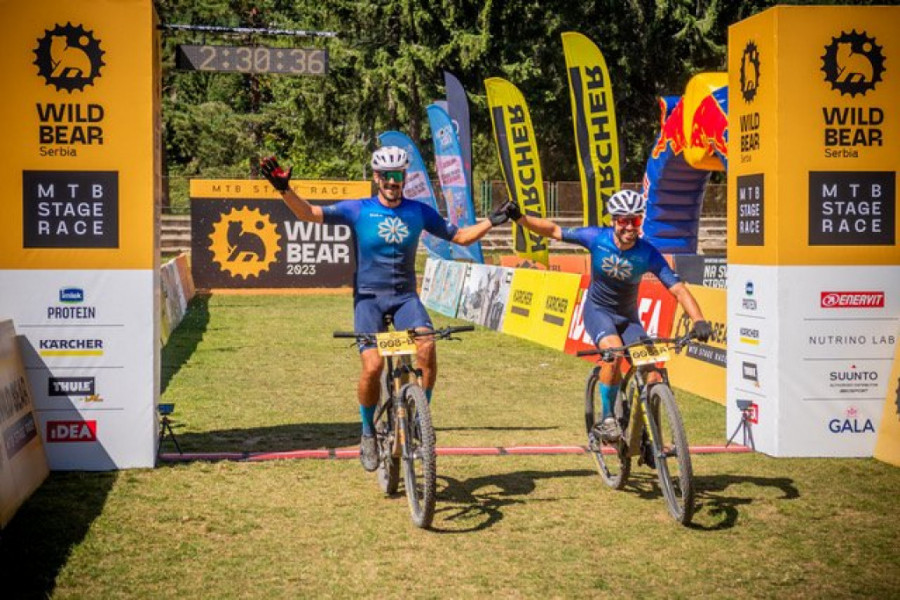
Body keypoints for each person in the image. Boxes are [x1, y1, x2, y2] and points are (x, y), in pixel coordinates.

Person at [260, 147, 511, 470]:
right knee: (373, 366)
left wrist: (492, 220)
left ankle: (420, 418)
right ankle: (367, 431)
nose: (393, 182)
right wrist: (283, 189)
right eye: (387, 176)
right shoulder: (358, 209)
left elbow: (461, 236)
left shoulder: (418, 211)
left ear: (404, 177)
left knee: (427, 345)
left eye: (398, 175)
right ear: (377, 177)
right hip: (369, 299)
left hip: (405, 298)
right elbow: (309, 213)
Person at [498, 189, 712, 443]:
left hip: (628, 318)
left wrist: (699, 320)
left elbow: (678, 289)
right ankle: (607, 417)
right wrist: (520, 218)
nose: (630, 227)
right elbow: (554, 231)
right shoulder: (596, 238)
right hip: (598, 311)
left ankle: (650, 438)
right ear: (614, 221)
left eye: (635, 220)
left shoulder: (647, 253)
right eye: (624, 221)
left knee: (653, 374)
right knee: (613, 354)